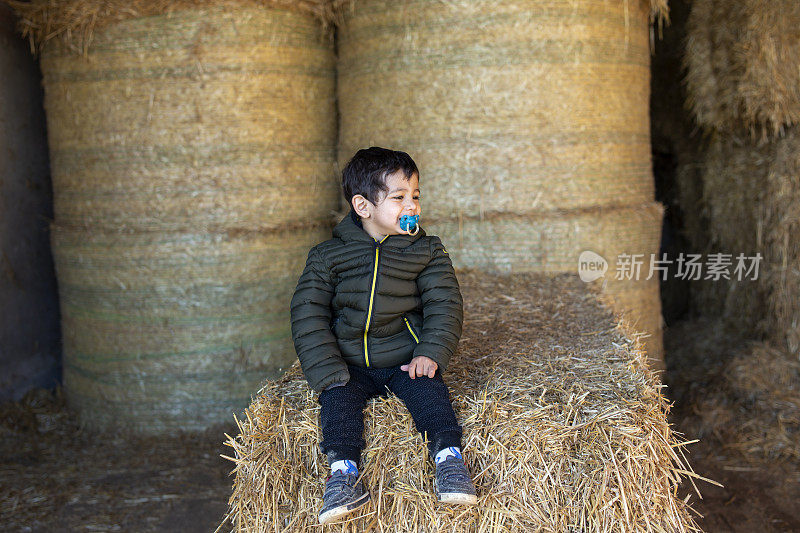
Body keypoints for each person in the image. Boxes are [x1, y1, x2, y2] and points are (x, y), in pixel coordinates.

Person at [290, 147, 477, 525]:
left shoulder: (426, 250)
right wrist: (327, 369)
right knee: (338, 407)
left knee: (430, 394)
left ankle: (449, 460)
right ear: (363, 206)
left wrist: (430, 352)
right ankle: (343, 475)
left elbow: (445, 303)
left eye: (416, 196)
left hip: (404, 358)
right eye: (399, 197)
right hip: (349, 364)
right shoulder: (328, 257)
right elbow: (307, 313)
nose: (412, 206)